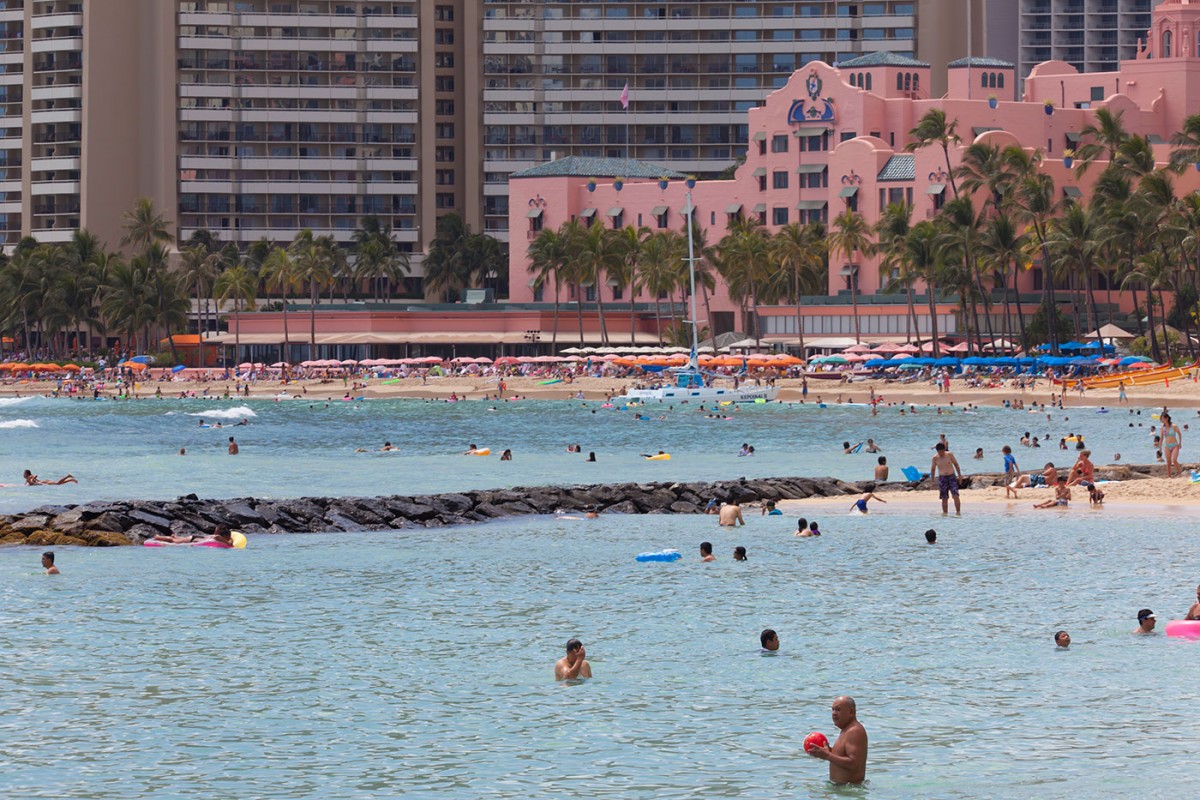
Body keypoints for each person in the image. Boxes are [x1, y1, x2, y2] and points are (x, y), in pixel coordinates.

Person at [808, 695, 868, 785]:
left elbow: (854, 764)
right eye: (833, 709)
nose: (834, 713)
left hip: (850, 791)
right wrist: (828, 751)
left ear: (851, 712)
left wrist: (828, 755)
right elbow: (843, 757)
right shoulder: (846, 730)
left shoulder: (855, 731)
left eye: (838, 710)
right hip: (841, 789)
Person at [930, 442, 963, 516]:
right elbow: (933, 469)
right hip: (942, 478)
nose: (940, 453)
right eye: (939, 452)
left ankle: (958, 512)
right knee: (944, 498)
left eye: (941, 451)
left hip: (951, 476)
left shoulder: (949, 455)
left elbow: (956, 465)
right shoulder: (935, 458)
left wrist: (959, 476)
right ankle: (945, 514)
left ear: (944, 449)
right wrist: (932, 480)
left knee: (955, 495)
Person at [1162, 413, 1183, 478]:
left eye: (1162, 418)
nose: (1162, 420)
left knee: (1174, 460)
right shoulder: (1163, 428)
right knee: (1168, 462)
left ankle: (1180, 474)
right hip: (1166, 445)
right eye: (1161, 419)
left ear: (1167, 418)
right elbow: (1161, 438)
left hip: (1174, 445)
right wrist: (1160, 448)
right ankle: (1169, 476)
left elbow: (1179, 434)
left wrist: (1180, 443)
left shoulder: (1174, 426)